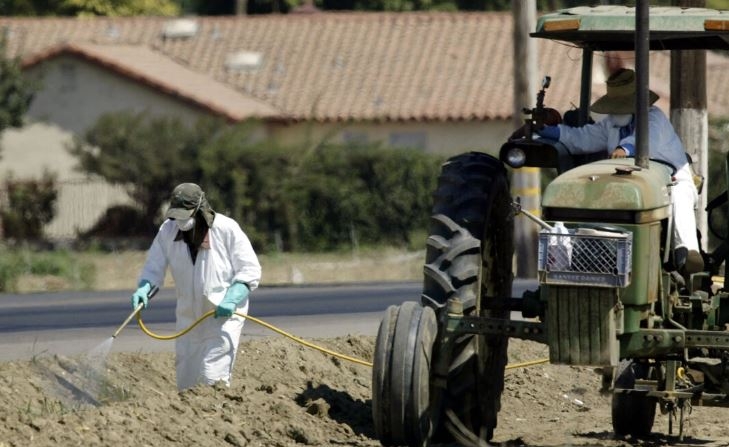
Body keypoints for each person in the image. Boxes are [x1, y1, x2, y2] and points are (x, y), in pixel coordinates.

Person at [535, 68, 704, 275]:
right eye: (613, 108)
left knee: (680, 196)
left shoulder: (655, 118)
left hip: (670, 177)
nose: (615, 112)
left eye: (620, 107)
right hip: (625, 182)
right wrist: (551, 132)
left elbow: (647, 139)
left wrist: (625, 148)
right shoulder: (611, 124)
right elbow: (583, 138)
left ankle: (686, 253)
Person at [131, 182, 262, 390]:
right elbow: (154, 267)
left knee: (212, 378)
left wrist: (231, 298)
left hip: (221, 317)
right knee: (186, 383)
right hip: (188, 319)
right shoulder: (168, 230)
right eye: (176, 215)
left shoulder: (226, 229)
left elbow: (249, 270)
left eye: (185, 214)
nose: (180, 221)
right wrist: (144, 289)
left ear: (200, 208)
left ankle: (217, 418)